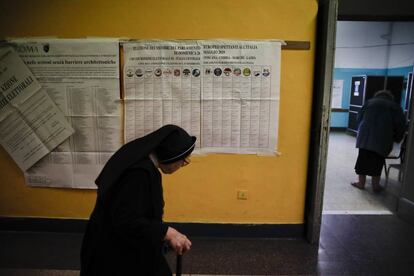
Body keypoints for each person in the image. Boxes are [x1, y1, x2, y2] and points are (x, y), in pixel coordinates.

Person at [80, 125, 196, 276]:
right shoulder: (138, 174)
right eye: (183, 161)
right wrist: (167, 233)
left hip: (125, 241)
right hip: (114, 248)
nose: (182, 165)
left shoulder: (143, 162)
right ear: (170, 156)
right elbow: (126, 220)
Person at [351, 90, 406, 193]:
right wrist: (397, 138)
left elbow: (359, 118)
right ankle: (376, 186)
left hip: (365, 137)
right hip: (382, 139)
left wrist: (361, 130)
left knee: (362, 160)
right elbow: (400, 124)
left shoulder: (369, 103)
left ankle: (360, 183)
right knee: (377, 161)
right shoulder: (394, 106)